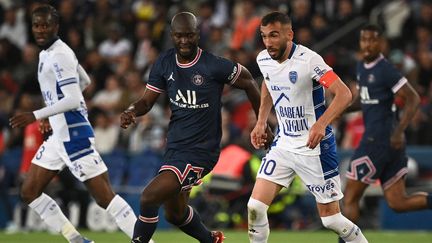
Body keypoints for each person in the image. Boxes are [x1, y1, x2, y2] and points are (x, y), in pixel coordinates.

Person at [120, 12, 270, 243]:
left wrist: (262, 122)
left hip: (201, 151)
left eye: (189, 35)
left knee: (149, 198)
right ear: (172, 36)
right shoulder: (164, 62)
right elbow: (147, 101)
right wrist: (131, 110)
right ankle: (211, 240)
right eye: (179, 36)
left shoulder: (213, 65)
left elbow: (250, 81)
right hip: (175, 148)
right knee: (175, 214)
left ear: (198, 34)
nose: (184, 41)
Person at [8, 5, 154, 243]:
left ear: (56, 26)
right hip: (60, 135)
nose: (41, 29)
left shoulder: (59, 54)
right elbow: (84, 81)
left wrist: (36, 114)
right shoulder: (47, 53)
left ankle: (147, 241)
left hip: (74, 134)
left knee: (105, 197)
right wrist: (50, 115)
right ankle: (76, 239)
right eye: (36, 25)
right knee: (29, 191)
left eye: (46, 24)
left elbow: (75, 97)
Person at [248, 12, 368, 243]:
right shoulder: (263, 59)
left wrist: (322, 124)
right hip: (283, 144)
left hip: (315, 147)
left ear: (289, 34)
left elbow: (344, 94)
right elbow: (268, 83)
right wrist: (261, 121)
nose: (268, 42)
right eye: (264, 36)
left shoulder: (309, 60)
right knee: (255, 206)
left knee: (331, 220)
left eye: (274, 35)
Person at [339, 24, 432, 242]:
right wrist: (340, 110)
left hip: (377, 141)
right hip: (388, 143)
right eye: (364, 40)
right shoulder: (363, 67)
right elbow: (366, 100)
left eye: (373, 40)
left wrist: (400, 131)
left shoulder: (385, 70)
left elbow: (413, 98)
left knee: (350, 197)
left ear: (382, 43)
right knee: (398, 202)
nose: (368, 44)